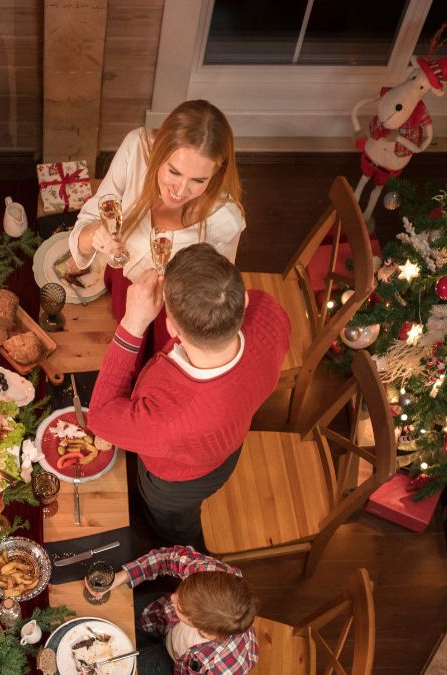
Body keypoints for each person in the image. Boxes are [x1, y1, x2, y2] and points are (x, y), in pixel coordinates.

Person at [85, 244, 290, 548]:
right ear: (244, 300)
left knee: (173, 525)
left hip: (177, 485)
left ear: (170, 328)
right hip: (228, 442)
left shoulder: (169, 417)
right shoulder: (266, 311)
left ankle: (182, 549)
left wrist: (132, 324)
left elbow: (100, 418)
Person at [68, 99, 245, 350]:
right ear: (159, 151)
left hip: (170, 315)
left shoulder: (225, 221)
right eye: (174, 172)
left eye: (198, 180)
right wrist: (93, 234)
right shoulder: (136, 148)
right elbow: (88, 222)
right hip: (122, 285)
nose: (180, 191)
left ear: (217, 173)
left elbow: (216, 293)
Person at [91, 545, 259, 674]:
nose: (172, 597)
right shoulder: (212, 575)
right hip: (159, 617)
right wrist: (121, 577)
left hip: (171, 664)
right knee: (108, 620)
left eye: (180, 606)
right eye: (181, 590)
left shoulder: (222, 668)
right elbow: (167, 558)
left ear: (203, 630)